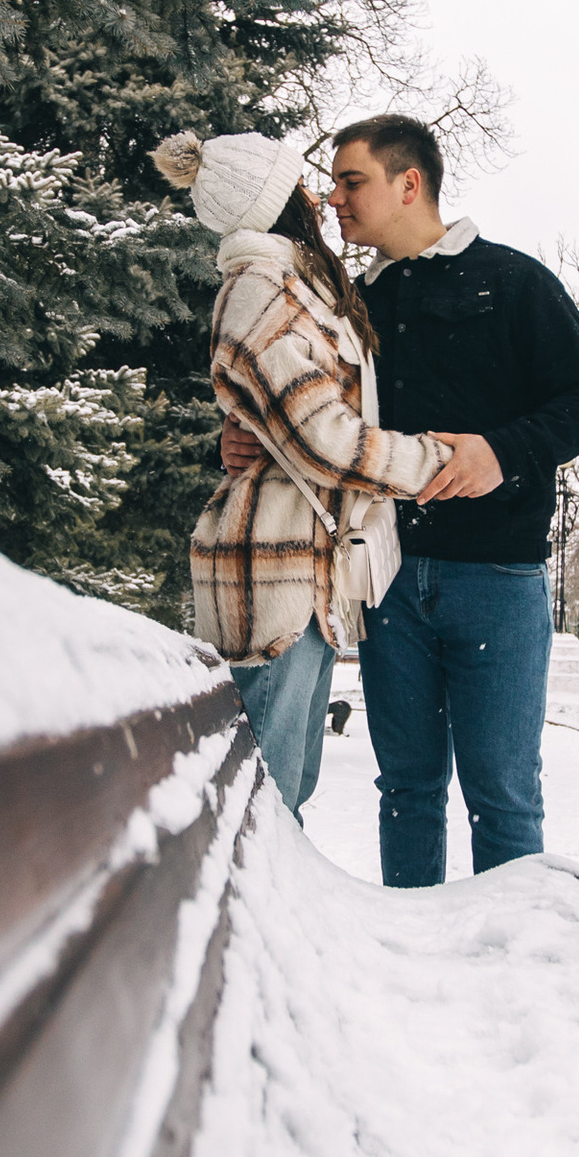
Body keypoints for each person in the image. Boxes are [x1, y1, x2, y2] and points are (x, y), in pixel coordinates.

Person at [222, 115, 579, 882]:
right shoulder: (346, 305)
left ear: (410, 184)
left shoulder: (513, 282)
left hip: (498, 580)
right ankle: (414, 955)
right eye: (334, 183)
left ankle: (508, 965)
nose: (333, 199)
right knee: (406, 789)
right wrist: (244, 441)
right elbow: (304, 410)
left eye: (351, 181)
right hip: (387, 581)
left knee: (503, 797)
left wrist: (502, 452)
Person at [153, 126, 449, 817]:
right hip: (272, 573)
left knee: (285, 788)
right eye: (303, 185)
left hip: (304, 570)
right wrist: (435, 459)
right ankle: (237, 928)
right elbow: (325, 440)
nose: (319, 196)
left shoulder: (296, 284)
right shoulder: (259, 289)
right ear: (279, 200)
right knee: (262, 801)